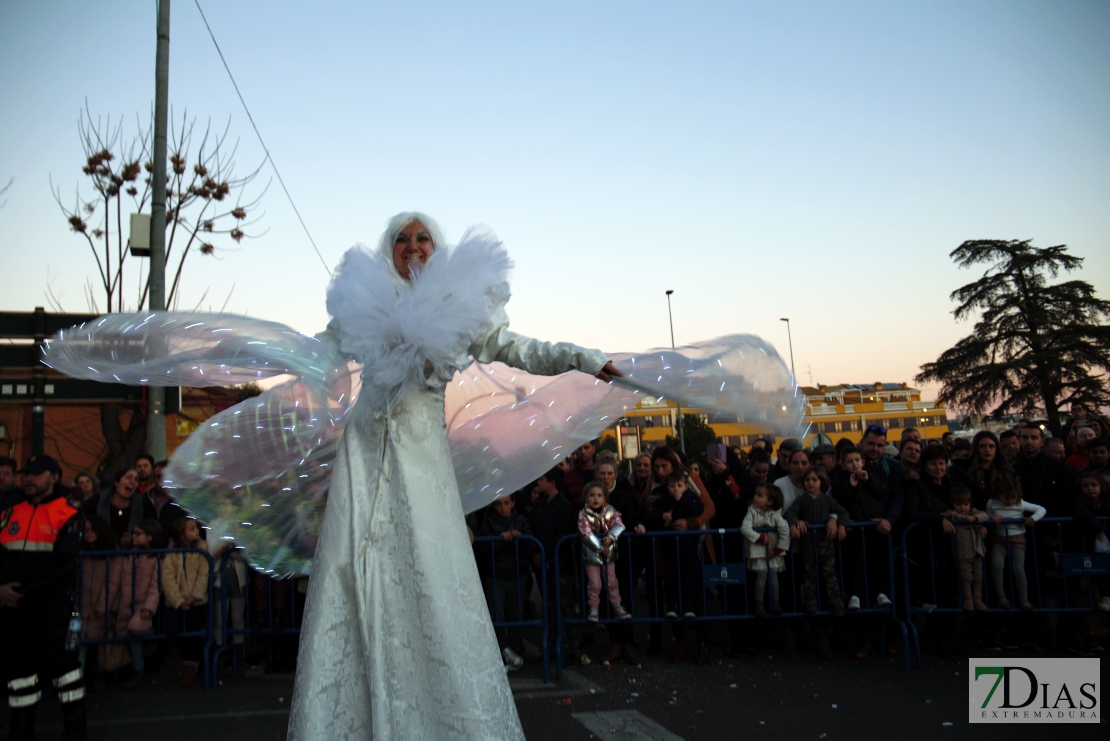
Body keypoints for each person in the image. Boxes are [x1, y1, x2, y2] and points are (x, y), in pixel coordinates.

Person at [288, 214, 621, 740]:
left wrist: (583, 359)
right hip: (364, 449)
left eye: (423, 238)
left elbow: (516, 348)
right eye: (403, 238)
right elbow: (316, 350)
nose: (413, 247)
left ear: (437, 249)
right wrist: (253, 354)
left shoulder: (457, 306)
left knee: (426, 567)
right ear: (389, 248)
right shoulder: (365, 303)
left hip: (420, 458)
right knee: (356, 564)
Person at [0, 454, 87, 740]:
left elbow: (62, 564)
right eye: (27, 474)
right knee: (20, 674)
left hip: (51, 608)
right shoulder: (9, 513)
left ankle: (74, 731)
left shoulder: (69, 515)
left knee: (65, 672)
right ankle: (21, 731)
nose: (29, 479)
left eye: (36, 474)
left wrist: (18, 591)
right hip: (14, 610)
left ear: (54, 477)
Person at [784, 466, 849, 658]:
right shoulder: (801, 500)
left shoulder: (828, 500)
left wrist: (840, 523)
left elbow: (842, 512)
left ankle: (837, 604)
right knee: (809, 575)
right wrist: (795, 522)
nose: (810, 483)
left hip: (826, 546)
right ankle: (811, 604)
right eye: (807, 480)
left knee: (830, 575)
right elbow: (789, 513)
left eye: (814, 480)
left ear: (822, 482)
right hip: (807, 547)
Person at [476, 494, 535, 671]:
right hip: (496, 575)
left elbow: (530, 546)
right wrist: (500, 540)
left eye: (506, 503)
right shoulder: (488, 522)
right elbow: (484, 549)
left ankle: (514, 650)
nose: (503, 507)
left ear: (513, 504)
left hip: (517, 573)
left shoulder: (521, 520)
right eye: (499, 504)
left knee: (515, 613)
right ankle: (503, 650)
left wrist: (519, 538)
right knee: (497, 614)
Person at [831, 446, 892, 611]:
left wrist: (869, 480)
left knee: (877, 562)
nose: (854, 464)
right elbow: (838, 501)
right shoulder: (840, 481)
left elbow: (883, 492)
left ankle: (880, 593)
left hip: (873, 529)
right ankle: (855, 595)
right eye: (850, 462)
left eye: (857, 460)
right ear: (842, 465)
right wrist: (851, 486)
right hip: (854, 532)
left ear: (863, 462)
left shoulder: (870, 477)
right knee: (856, 564)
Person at [108, 519, 165, 689]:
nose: (134, 536)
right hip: (126, 602)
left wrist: (149, 606)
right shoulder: (127, 555)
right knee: (129, 637)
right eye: (134, 533)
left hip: (143, 604)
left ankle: (149, 642)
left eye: (138, 533)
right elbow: (113, 582)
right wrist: (108, 605)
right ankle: (137, 668)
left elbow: (156, 586)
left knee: (135, 629)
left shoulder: (155, 558)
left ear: (149, 537)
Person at [594, 460, 641, 664]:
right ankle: (614, 643)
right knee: (605, 599)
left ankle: (627, 643)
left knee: (624, 598)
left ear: (615, 475)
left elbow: (633, 517)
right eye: (602, 473)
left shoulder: (625, 494)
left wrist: (638, 524)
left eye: (609, 473)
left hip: (621, 556)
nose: (605, 477)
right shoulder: (591, 495)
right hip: (598, 556)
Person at [642, 472, 704, 623]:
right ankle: (673, 605)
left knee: (688, 575)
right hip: (669, 544)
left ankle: (689, 606)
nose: (675, 489)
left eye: (679, 486)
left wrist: (682, 499)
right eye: (672, 486)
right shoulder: (664, 500)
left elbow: (698, 511)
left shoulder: (690, 497)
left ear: (686, 487)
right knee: (671, 575)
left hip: (688, 543)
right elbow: (651, 515)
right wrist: (662, 516)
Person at [163, 517, 210, 687]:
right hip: (177, 602)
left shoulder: (202, 548)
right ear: (181, 534)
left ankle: (192, 667)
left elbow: (204, 574)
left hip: (196, 602)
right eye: (191, 529)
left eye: (196, 527)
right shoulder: (171, 551)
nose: (196, 531)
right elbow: (167, 578)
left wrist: (194, 597)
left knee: (194, 632)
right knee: (174, 630)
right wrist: (178, 600)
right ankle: (189, 664)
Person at [986, 481, 1046, 610]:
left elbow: (1041, 509)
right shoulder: (992, 503)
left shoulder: (1020, 503)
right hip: (999, 538)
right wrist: (992, 517)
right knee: (996, 566)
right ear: (999, 495)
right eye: (1006, 498)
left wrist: (1033, 519)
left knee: (1018, 569)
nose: (1010, 501)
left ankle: (1024, 600)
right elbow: (987, 516)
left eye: (1013, 498)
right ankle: (1001, 596)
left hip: (1017, 539)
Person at [577, 481, 631, 623]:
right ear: (586, 498)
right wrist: (601, 547)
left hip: (609, 554)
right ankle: (594, 608)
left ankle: (617, 605)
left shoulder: (611, 510)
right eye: (592, 495)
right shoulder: (583, 513)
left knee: (612, 582)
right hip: (592, 554)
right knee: (594, 583)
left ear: (604, 498)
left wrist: (611, 537)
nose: (595, 498)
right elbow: (585, 532)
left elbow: (619, 524)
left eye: (599, 495)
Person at [78, 515, 116, 690]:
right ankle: (77, 678)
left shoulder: (110, 554)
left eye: (92, 530)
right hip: (80, 606)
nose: (88, 533)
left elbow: (112, 583)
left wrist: (104, 604)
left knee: (99, 643)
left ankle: (99, 675)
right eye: (86, 530)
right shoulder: (80, 554)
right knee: (79, 644)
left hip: (99, 607)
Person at [740, 483, 789, 616]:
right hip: (758, 553)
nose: (755, 497)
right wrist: (760, 537)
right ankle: (759, 604)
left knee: (774, 578)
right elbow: (745, 528)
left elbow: (785, 532)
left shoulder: (776, 515)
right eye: (755, 494)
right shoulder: (752, 511)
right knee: (761, 577)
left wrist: (777, 549)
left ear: (770, 501)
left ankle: (776, 603)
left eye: (759, 496)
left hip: (773, 553)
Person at [1013, 424, 1077, 517]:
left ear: (1042, 442)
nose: (1029, 441)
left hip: (1055, 521)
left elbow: (1071, 495)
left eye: (1034, 438)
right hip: (1025, 523)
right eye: (1025, 437)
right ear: (1020, 441)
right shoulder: (1013, 469)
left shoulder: (1058, 467)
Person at [80, 467, 152, 549]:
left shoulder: (144, 504)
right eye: (128, 477)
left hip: (131, 557)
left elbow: (151, 529)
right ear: (116, 482)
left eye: (136, 479)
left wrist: (133, 539)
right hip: (101, 555)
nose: (133, 481)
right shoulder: (97, 501)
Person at [941, 488, 988, 612]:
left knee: (978, 576)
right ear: (953, 504)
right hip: (962, 552)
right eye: (958, 504)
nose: (962, 507)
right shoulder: (951, 514)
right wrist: (951, 515)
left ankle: (978, 598)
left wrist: (974, 520)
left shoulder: (974, 512)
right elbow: (941, 516)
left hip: (977, 551)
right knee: (966, 576)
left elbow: (984, 515)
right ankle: (968, 598)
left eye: (965, 504)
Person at [1071, 472, 1110, 612]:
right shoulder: (1080, 502)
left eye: (1094, 485)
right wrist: (1100, 527)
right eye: (1085, 486)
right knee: (1097, 566)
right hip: (1091, 543)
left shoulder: (1107, 500)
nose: (1090, 488)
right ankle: (1106, 596)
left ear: (1101, 486)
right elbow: (1083, 515)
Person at [856, 426, 904, 538]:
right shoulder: (850, 463)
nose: (875, 448)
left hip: (884, 530)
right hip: (856, 530)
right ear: (862, 442)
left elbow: (898, 496)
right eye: (871, 444)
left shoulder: (893, 466)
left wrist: (889, 520)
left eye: (880, 445)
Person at [952, 430, 1017, 511]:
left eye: (991, 446)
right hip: (975, 515)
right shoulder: (964, 470)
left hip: (1001, 515)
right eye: (982, 446)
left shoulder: (1006, 469)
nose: (987, 450)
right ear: (976, 448)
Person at [563, 441, 598, 509]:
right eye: (579, 448)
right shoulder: (568, 477)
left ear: (593, 449)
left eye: (586, 448)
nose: (583, 451)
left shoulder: (601, 474)